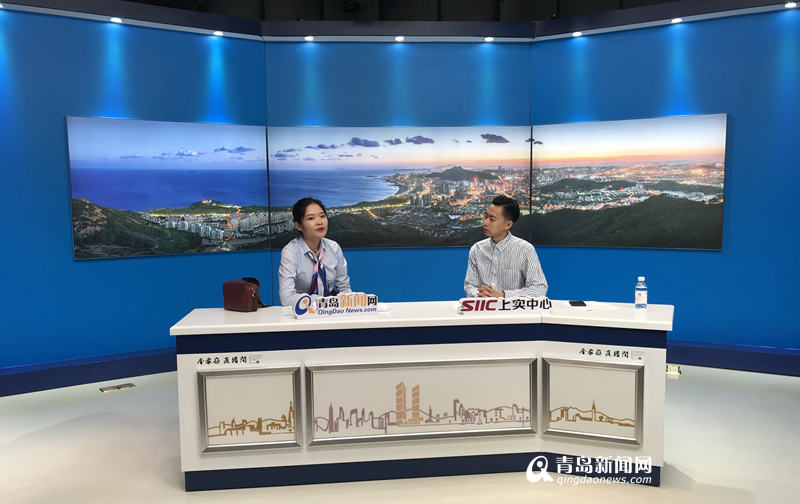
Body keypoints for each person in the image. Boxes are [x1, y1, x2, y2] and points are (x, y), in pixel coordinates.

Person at [464, 195, 547, 298]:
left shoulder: (525, 249)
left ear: (507, 225)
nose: (485, 223)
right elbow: (470, 286)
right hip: (484, 307)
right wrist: (479, 294)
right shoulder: (476, 249)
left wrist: (503, 295)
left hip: (513, 308)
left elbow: (539, 288)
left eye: (492, 219)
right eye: (485, 217)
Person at [278, 197, 352, 306]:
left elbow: (345, 288)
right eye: (311, 218)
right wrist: (320, 302)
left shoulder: (334, 247)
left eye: (322, 216)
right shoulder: (290, 252)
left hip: (332, 309)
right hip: (303, 310)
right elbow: (286, 298)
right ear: (298, 226)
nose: (319, 222)